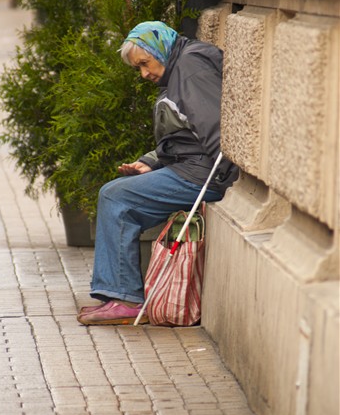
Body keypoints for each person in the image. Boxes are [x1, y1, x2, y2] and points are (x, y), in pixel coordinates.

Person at [77, 21, 238, 326]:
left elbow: (214, 129)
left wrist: (223, 178)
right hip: (194, 168)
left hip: (203, 175)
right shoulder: (180, 69)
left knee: (115, 197)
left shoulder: (189, 69)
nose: (144, 74)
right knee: (120, 192)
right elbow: (185, 135)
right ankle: (119, 295)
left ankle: (125, 298)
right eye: (138, 67)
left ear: (158, 49)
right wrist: (151, 162)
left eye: (144, 63)